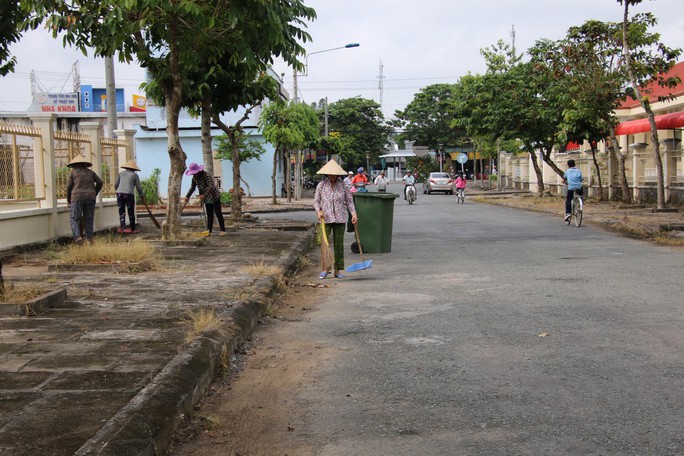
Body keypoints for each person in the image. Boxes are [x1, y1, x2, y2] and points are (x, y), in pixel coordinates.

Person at [314, 159, 358, 280]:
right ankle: (325, 268)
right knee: (324, 243)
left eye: (334, 174)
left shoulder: (343, 185)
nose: (332, 176)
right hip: (325, 219)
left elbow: (349, 201)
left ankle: (337, 270)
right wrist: (319, 212)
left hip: (340, 218)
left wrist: (354, 214)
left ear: (338, 174)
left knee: (339, 244)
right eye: (330, 174)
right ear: (326, 174)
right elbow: (316, 201)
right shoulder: (321, 186)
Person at [66, 155, 103, 244]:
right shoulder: (91, 173)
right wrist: (94, 192)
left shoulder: (73, 173)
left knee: (74, 219)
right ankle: (89, 239)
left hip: (77, 197)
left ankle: (77, 237)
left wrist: (68, 199)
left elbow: (69, 187)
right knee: (89, 219)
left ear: (74, 165)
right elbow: (100, 182)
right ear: (85, 164)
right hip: (90, 197)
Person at [184, 163, 227, 236]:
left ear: (198, 171)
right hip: (206, 198)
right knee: (209, 215)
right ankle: (209, 231)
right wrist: (187, 196)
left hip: (214, 196)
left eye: (195, 173)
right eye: (193, 173)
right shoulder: (194, 178)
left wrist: (204, 194)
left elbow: (210, 185)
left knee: (218, 213)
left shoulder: (206, 175)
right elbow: (192, 188)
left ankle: (222, 230)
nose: (194, 174)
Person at [115, 160, 144, 233]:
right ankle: (133, 229)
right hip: (129, 195)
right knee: (131, 212)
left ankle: (123, 228)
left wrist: (117, 191)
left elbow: (116, 184)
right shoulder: (134, 175)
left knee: (121, 212)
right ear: (134, 169)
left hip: (119, 194)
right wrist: (141, 195)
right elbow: (139, 187)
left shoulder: (121, 173)